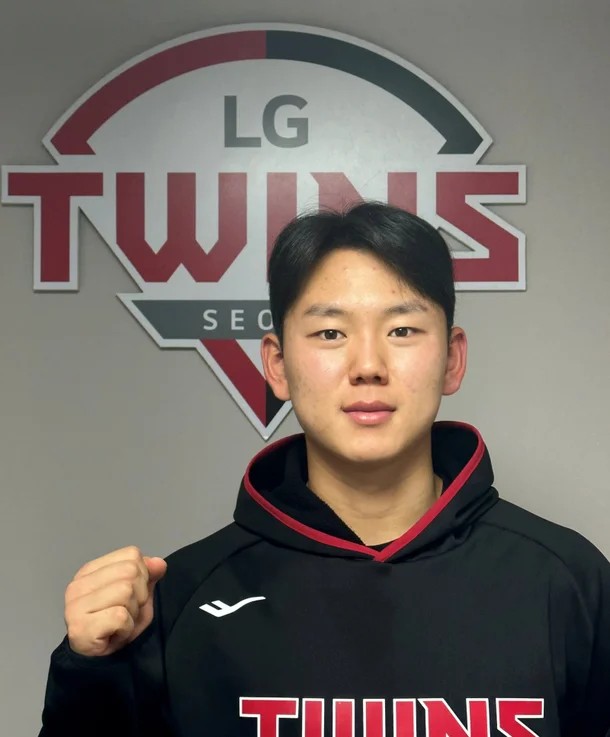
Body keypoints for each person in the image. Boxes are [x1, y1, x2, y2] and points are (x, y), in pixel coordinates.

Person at [38, 203, 610, 737]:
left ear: (452, 359)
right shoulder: (180, 598)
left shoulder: (569, 582)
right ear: (277, 365)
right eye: (330, 333)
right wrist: (89, 672)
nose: (368, 365)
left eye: (402, 330)